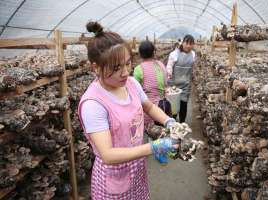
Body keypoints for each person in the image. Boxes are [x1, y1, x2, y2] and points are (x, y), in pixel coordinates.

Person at [77, 21, 177, 200]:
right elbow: (107, 154)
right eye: (116, 68)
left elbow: (149, 106)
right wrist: (153, 147)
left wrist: (168, 121)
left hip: (137, 166)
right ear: (96, 68)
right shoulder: (93, 104)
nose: (125, 72)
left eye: (128, 64)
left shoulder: (131, 83)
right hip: (114, 175)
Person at [133, 40, 169, 128]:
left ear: (140, 54)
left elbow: (135, 91)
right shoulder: (161, 65)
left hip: (149, 110)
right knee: (163, 132)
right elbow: (166, 82)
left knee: (153, 134)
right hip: (164, 106)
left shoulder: (139, 69)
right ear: (154, 52)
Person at [166, 34, 196, 123]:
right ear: (182, 43)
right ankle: (173, 122)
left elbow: (192, 66)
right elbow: (169, 66)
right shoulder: (174, 54)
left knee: (184, 104)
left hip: (186, 84)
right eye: (186, 43)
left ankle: (182, 122)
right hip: (174, 85)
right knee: (174, 105)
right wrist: (169, 72)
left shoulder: (193, 54)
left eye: (191, 44)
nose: (188, 46)